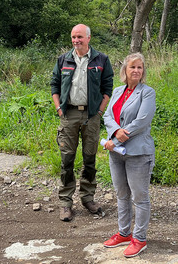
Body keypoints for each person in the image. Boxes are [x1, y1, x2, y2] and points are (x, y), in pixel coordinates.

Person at [50, 24, 114, 221]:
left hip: (91, 115)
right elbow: (54, 84)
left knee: (89, 158)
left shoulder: (101, 59)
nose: (76, 40)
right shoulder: (64, 59)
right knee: (67, 159)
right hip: (68, 114)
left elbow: (108, 86)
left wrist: (100, 110)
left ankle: (88, 198)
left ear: (88, 38)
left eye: (79, 37)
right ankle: (65, 203)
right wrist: (59, 108)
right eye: (73, 37)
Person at [102, 52, 156, 258]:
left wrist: (113, 140)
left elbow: (142, 121)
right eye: (132, 67)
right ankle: (124, 233)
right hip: (116, 153)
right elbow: (107, 115)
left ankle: (139, 239)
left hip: (138, 153)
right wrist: (115, 133)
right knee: (122, 195)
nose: (136, 70)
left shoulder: (147, 92)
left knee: (140, 198)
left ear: (143, 71)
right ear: (125, 70)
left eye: (140, 67)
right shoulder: (117, 91)